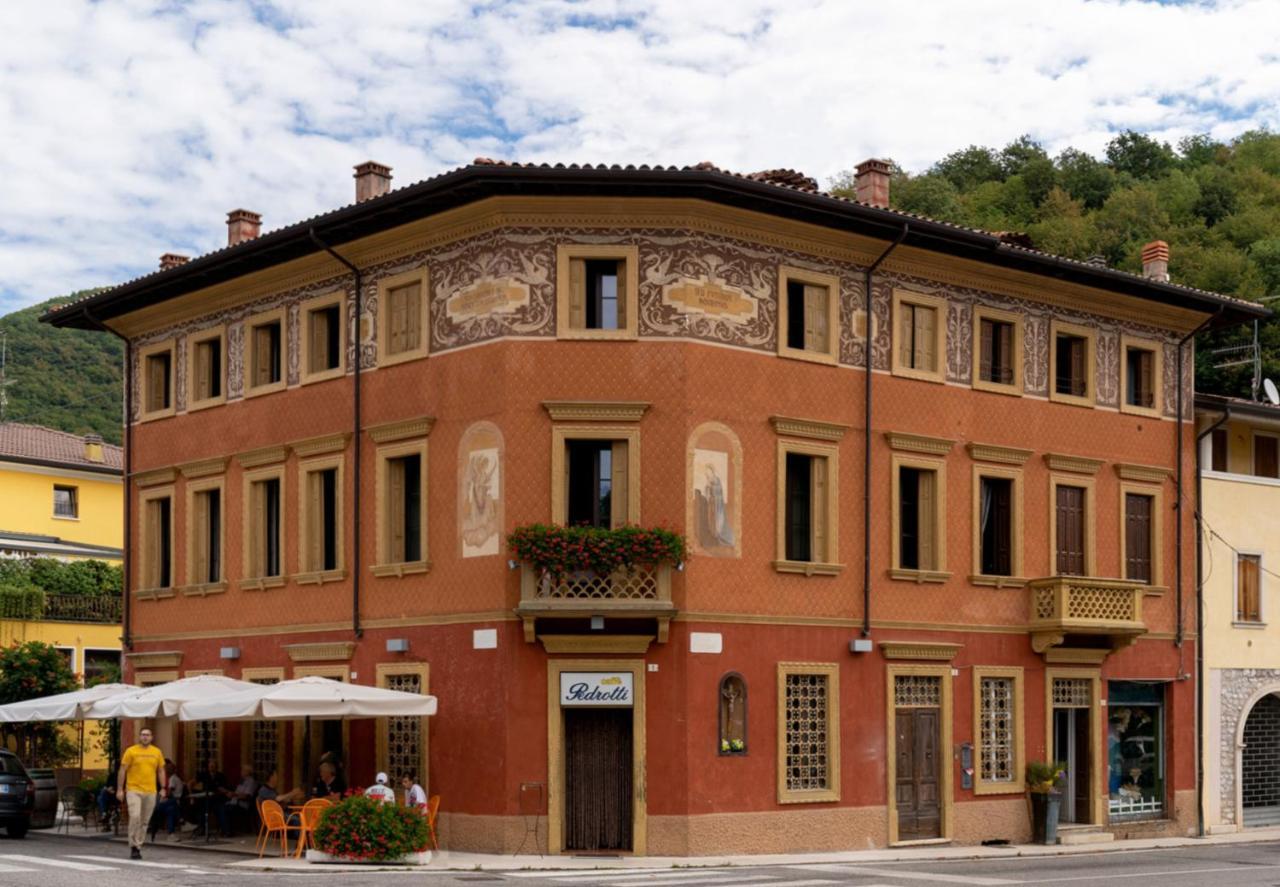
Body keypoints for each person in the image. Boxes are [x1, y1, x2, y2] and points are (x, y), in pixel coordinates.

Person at [118, 727, 166, 860]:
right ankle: (133, 845)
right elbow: (122, 770)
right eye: (143, 735)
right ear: (139, 737)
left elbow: (161, 770)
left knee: (144, 821)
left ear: (152, 737)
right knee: (135, 816)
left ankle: (138, 847)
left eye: (148, 735)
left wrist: (163, 788)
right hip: (133, 790)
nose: (145, 737)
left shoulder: (157, 752)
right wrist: (119, 789)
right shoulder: (131, 751)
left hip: (150, 791)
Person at [193, 759, 230, 837]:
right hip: (205, 800)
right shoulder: (204, 775)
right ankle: (201, 828)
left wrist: (223, 791)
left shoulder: (221, 776)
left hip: (217, 799)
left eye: (213, 766)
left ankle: (225, 831)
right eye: (210, 766)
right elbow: (191, 783)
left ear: (216, 767)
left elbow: (225, 788)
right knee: (201, 809)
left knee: (221, 810)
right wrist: (191, 795)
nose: (212, 768)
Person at [151, 759, 185, 841]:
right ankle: (171, 833)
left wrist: (163, 796)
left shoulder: (172, 779)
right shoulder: (173, 778)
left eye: (166, 768)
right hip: (173, 803)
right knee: (170, 810)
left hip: (175, 801)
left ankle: (157, 809)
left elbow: (169, 793)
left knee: (159, 807)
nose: (165, 770)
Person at [220, 763, 259, 835]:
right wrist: (230, 794)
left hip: (242, 804)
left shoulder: (251, 782)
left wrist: (234, 795)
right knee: (220, 807)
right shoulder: (242, 781)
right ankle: (225, 830)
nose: (242, 772)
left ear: (248, 772)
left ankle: (228, 831)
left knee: (226, 809)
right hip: (234, 801)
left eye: (243, 770)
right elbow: (236, 793)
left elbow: (247, 796)